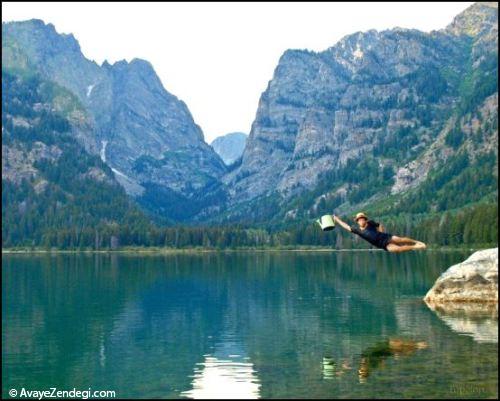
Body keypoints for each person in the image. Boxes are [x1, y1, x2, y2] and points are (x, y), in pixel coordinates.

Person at [333, 212, 426, 253]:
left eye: (362, 219)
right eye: (359, 220)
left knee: (401, 240)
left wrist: (380, 232)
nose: (361, 221)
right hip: (382, 245)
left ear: (365, 220)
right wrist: (337, 219)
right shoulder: (358, 231)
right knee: (398, 250)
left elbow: (379, 225)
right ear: (357, 221)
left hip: (386, 237)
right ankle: (416, 247)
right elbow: (346, 226)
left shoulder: (370, 223)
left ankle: (416, 242)